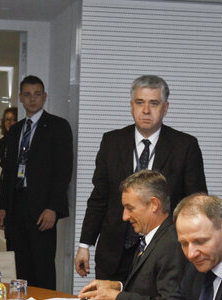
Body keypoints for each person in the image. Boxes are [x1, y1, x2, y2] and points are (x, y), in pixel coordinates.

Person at [76, 75, 207, 282]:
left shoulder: (185, 146)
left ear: (165, 108)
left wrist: (195, 247)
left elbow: (196, 204)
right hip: (113, 252)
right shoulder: (112, 142)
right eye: (140, 103)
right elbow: (99, 197)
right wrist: (85, 245)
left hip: (164, 253)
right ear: (131, 106)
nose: (146, 110)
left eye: (154, 103)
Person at [0, 76, 73, 290]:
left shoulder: (58, 126)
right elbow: (8, 173)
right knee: (19, 265)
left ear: (44, 97)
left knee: (43, 265)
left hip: (42, 209)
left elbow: (63, 171)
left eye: (37, 94)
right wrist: (2, 206)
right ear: (20, 98)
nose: (32, 99)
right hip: (15, 207)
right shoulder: (15, 130)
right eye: (27, 95)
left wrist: (53, 208)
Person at [77, 171, 186, 300]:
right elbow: (146, 290)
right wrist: (118, 287)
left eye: (130, 208)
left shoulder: (172, 245)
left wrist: (117, 298)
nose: (124, 216)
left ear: (154, 204)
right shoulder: (152, 238)